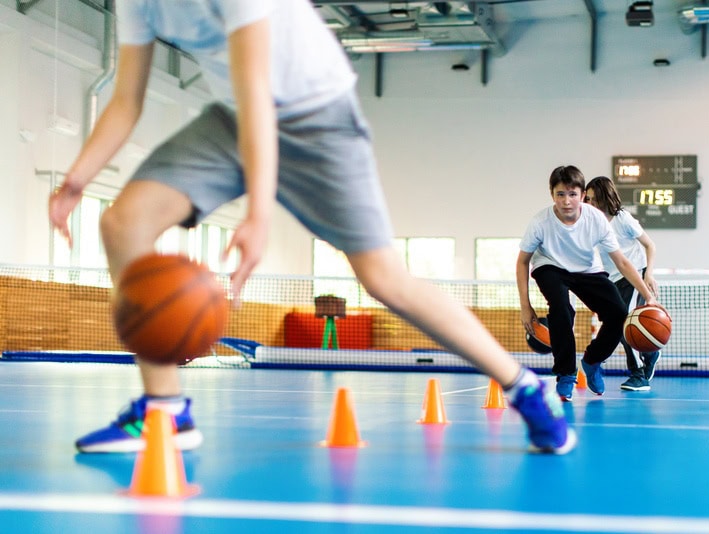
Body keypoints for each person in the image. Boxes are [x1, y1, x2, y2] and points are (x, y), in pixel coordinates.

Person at [48, 0, 575, 454]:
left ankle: (524, 386)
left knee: (384, 279)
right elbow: (126, 98)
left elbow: (257, 87)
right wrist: (76, 181)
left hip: (317, 118)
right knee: (122, 223)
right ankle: (165, 410)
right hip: (233, 121)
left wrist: (258, 213)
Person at [516, 165, 657, 402]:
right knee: (561, 308)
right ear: (552, 195)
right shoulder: (540, 222)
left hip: (586, 269)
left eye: (573, 195)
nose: (567, 201)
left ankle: (592, 361)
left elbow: (622, 261)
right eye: (560, 194)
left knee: (619, 314)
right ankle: (566, 374)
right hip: (549, 266)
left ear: (582, 196)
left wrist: (648, 295)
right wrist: (525, 306)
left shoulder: (597, 220)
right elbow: (522, 263)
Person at [584, 176, 660, 392]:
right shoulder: (591, 226)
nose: (589, 204)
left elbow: (650, 245)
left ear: (605, 198)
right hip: (614, 280)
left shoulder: (622, 219)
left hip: (636, 274)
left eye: (593, 199)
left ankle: (638, 375)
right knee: (617, 326)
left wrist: (649, 275)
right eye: (587, 199)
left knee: (628, 322)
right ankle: (650, 353)